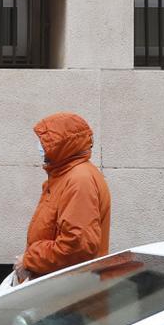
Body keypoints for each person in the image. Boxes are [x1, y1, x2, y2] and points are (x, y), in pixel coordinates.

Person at [15, 112, 111, 281]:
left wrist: (30, 260)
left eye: (46, 141)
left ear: (63, 145)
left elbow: (77, 246)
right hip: (61, 289)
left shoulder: (79, 180)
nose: (40, 146)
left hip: (69, 294)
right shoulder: (66, 176)